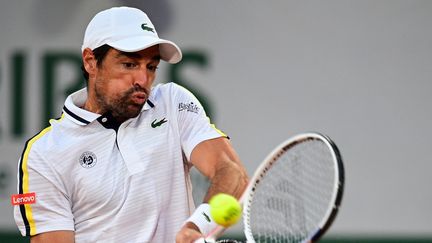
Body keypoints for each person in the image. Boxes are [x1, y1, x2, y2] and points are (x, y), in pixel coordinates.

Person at [13, 6, 248, 243]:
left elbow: (232, 172)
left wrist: (197, 226)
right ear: (90, 61)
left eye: (151, 67)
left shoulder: (173, 103)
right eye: (129, 64)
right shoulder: (44, 154)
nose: (143, 80)